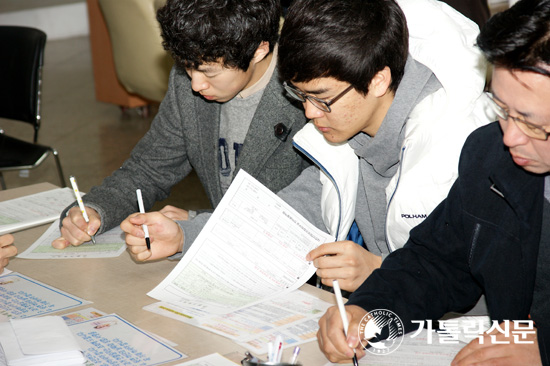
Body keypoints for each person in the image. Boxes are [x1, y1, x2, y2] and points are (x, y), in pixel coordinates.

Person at [121, 0, 493, 290]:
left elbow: (489, 282)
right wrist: (186, 235)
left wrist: (382, 271)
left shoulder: (467, 148)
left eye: (322, 98)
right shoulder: (343, 131)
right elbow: (282, 218)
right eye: (298, 95)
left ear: (378, 80)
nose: (310, 115)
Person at [317, 0, 550, 364]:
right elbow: (438, 261)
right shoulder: (490, 157)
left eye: (532, 123)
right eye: (503, 111)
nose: (511, 137)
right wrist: (370, 307)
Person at [52, 0, 310, 251]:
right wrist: (95, 208)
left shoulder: (312, 93)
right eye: (188, 66)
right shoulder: (188, 79)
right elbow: (149, 169)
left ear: (259, 51)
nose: (196, 84)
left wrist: (198, 223)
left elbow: (310, 211)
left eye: (209, 72)